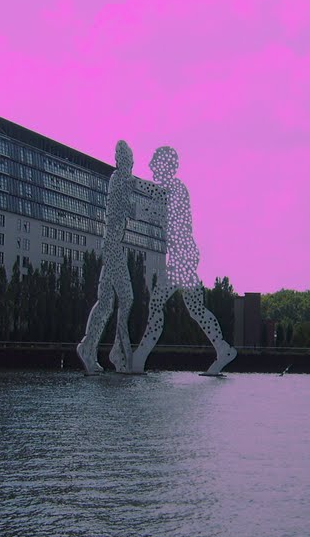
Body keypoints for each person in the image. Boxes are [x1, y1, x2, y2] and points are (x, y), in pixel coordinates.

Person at [132, 146, 237, 375]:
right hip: (184, 256)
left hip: (182, 257)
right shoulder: (172, 190)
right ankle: (223, 349)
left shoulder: (176, 189)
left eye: (155, 163)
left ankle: (139, 359)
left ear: (167, 166)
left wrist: (132, 184)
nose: (151, 167)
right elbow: (155, 204)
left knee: (157, 304)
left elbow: (155, 201)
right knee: (196, 309)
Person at [76, 140, 135, 374]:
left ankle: (87, 347)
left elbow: (128, 209)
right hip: (112, 247)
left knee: (106, 303)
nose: (131, 165)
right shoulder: (120, 178)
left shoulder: (119, 182)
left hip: (111, 245)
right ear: (121, 161)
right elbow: (132, 204)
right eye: (129, 161)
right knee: (127, 298)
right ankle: (117, 350)